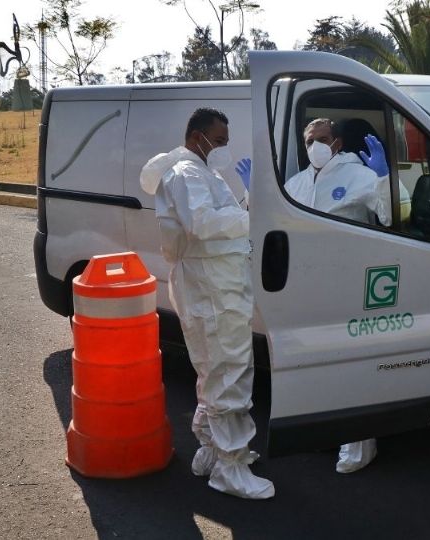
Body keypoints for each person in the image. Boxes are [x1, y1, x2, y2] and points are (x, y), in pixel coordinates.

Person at [139, 108, 273, 499]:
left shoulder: (204, 172)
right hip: (210, 289)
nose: (223, 150)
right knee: (226, 372)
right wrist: (252, 213)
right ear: (198, 136)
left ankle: (216, 450)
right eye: (219, 141)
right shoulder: (185, 174)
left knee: (219, 370)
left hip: (219, 287)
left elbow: (218, 218)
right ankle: (229, 471)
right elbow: (202, 223)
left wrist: (246, 204)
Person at [285, 117, 402, 474]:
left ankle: (358, 447)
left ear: (336, 142)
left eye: (320, 139)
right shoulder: (297, 181)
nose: (314, 146)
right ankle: (322, 430)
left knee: (354, 363)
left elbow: (393, 214)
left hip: (350, 281)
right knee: (317, 363)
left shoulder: (358, 175)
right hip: (307, 285)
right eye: (308, 141)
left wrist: (384, 179)